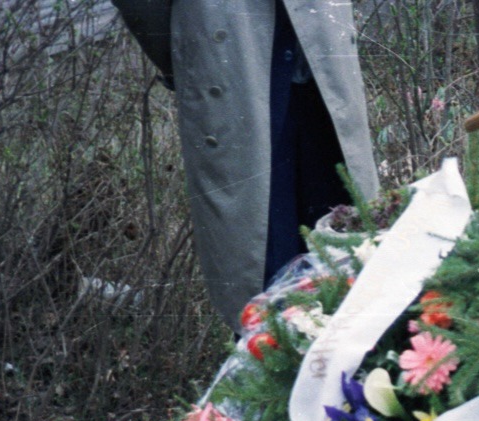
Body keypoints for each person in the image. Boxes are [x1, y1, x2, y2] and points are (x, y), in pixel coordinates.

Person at [110, 1, 380, 329]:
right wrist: (191, 53)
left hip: (320, 55)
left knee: (350, 253)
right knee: (261, 270)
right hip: (233, 60)